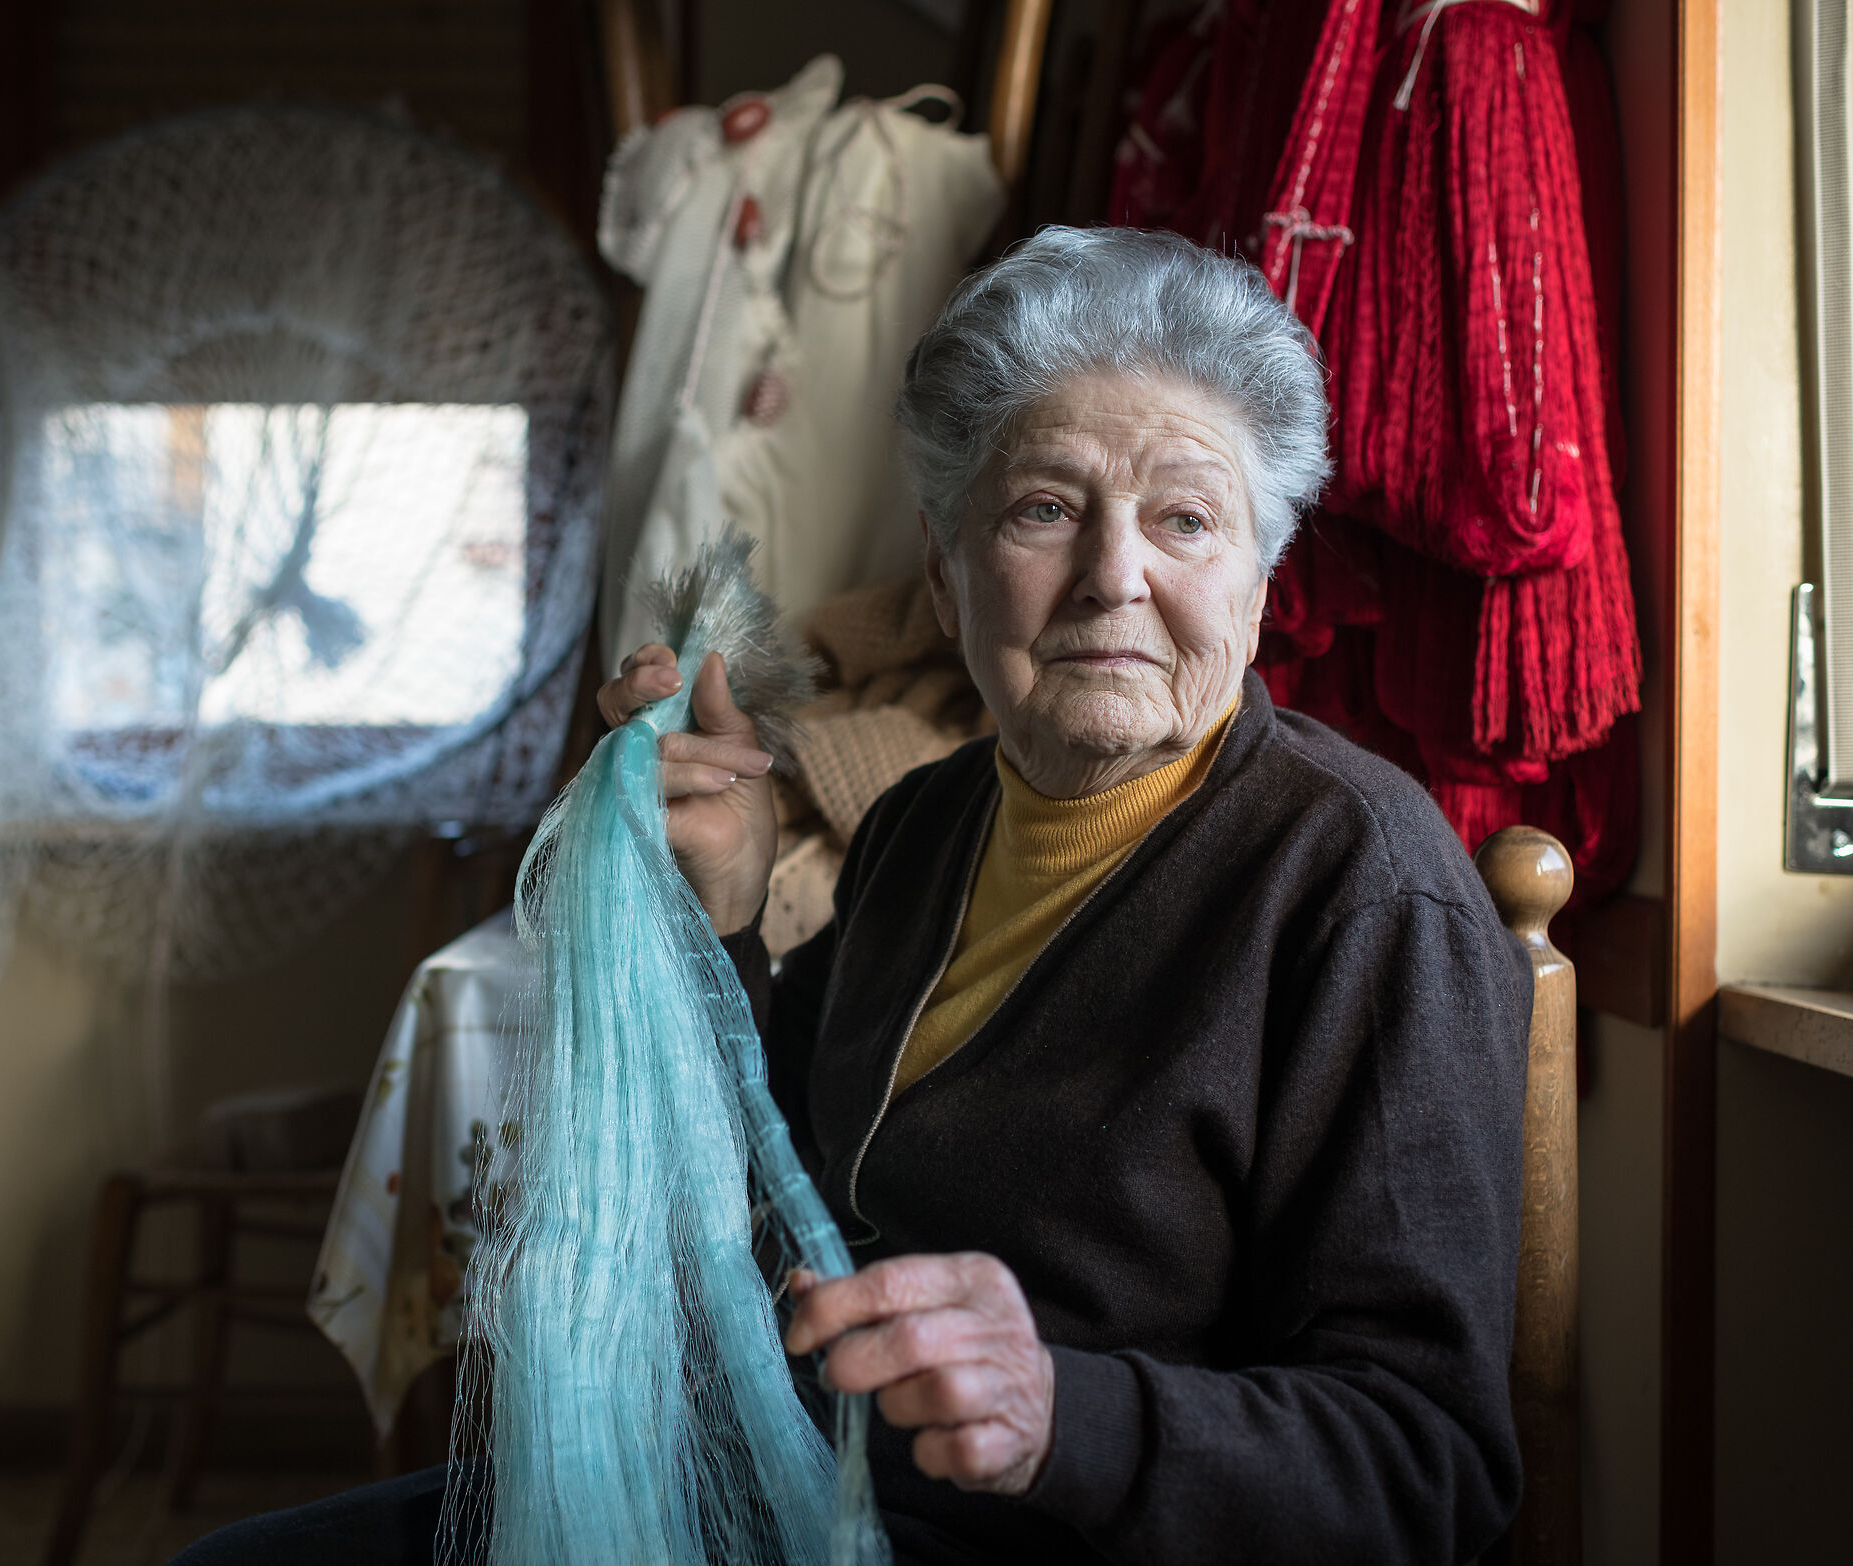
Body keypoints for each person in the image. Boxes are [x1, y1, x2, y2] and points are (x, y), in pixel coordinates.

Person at [177, 227, 1530, 1566]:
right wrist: (722, 917)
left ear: (1259, 581)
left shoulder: (1358, 886)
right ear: (944, 579)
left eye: (1186, 519)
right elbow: (774, 1199)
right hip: (800, 1495)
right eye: (1045, 509)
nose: (1118, 574)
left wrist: (1065, 1411)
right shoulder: (926, 829)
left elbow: (1429, 1469)